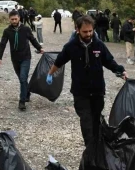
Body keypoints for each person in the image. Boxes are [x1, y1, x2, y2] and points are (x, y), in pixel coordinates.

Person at [47, 15, 127, 146]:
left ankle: (97, 145)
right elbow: (59, 61)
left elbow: (108, 61)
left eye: (91, 31)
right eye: (85, 31)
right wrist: (50, 74)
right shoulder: (71, 46)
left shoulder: (99, 45)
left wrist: (120, 71)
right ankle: (90, 149)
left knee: (96, 119)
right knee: (85, 120)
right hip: (80, 91)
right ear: (77, 29)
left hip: (97, 90)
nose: (88, 34)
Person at [0, 11, 44, 111]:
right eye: (12, 19)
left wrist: (40, 48)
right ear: (9, 19)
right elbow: (2, 44)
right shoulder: (7, 31)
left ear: (19, 18)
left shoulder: (26, 29)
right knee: (21, 79)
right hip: (15, 59)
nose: (14, 21)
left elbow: (32, 39)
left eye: (15, 19)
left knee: (23, 78)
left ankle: (22, 102)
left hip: (26, 57)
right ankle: (27, 92)